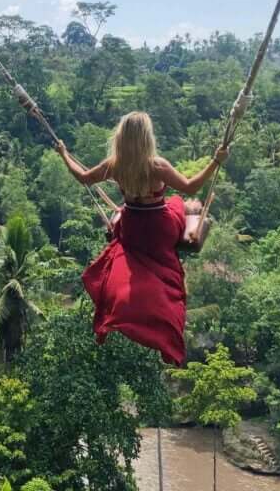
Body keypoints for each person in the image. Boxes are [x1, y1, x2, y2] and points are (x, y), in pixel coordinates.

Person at [56, 111, 229, 366]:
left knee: (165, 211)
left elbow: (82, 178)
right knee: (180, 201)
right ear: (146, 138)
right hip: (160, 227)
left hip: (133, 228)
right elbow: (191, 185)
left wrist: (63, 154)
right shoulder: (156, 165)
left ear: (121, 137)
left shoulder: (115, 165)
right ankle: (191, 209)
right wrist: (216, 161)